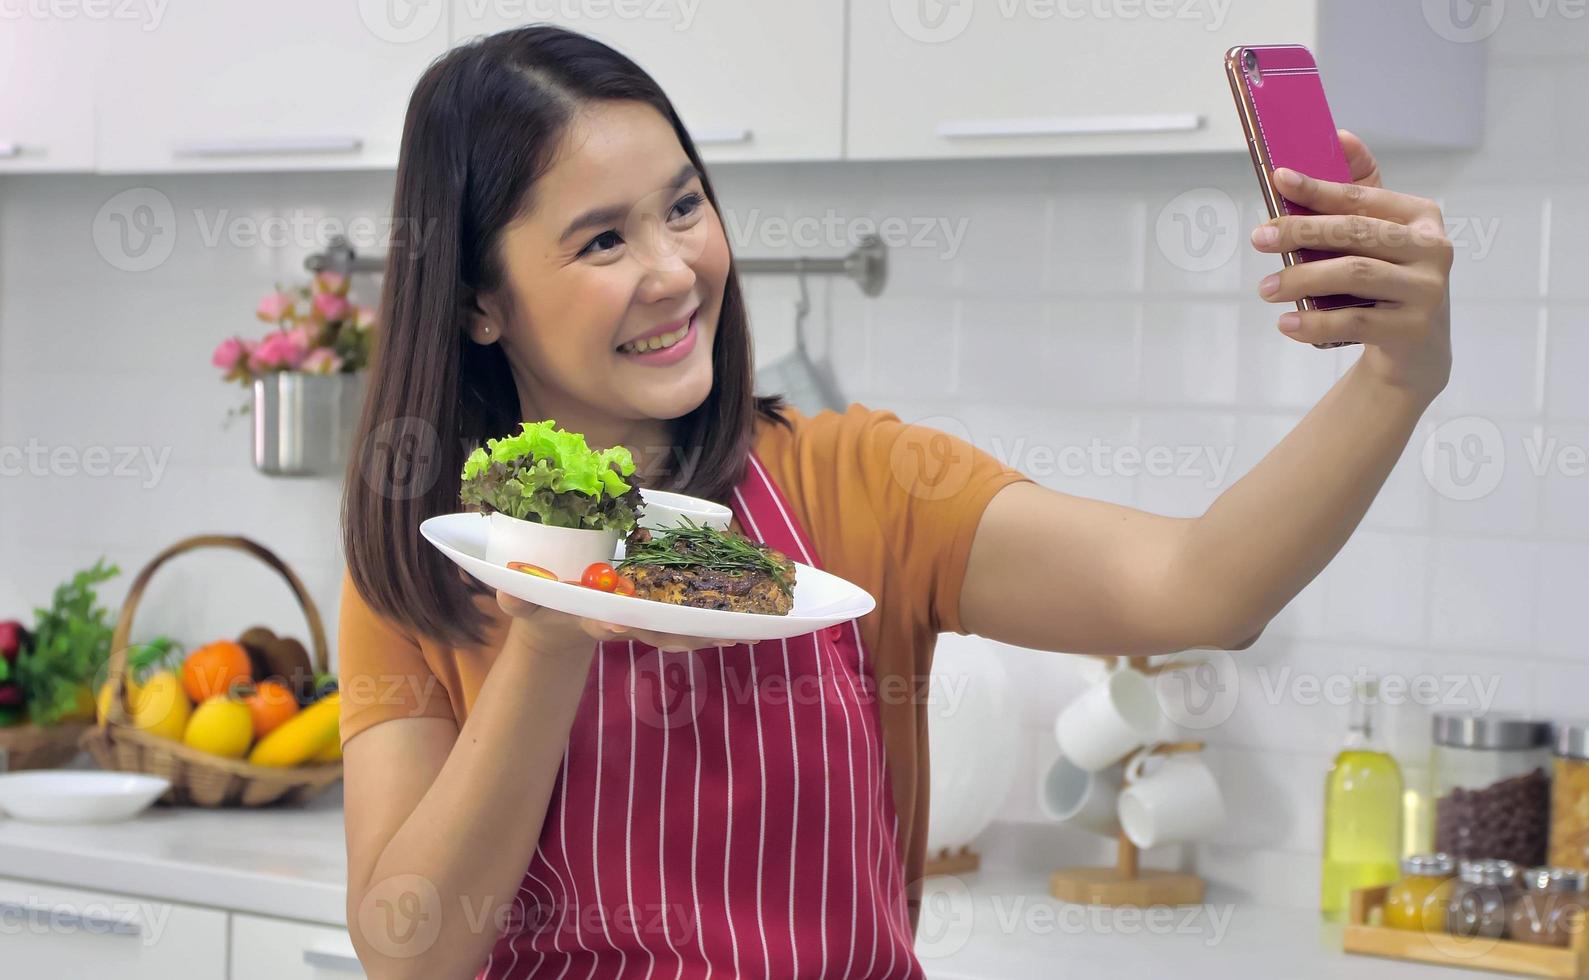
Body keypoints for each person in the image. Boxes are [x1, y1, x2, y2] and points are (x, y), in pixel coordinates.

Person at [338, 25, 1453, 980]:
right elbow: (410, 948)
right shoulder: (429, 558)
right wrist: (548, 624)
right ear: (483, 301)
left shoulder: (851, 479)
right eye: (602, 240)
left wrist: (1395, 379)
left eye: (683, 206)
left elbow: (1202, 588)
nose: (674, 269)